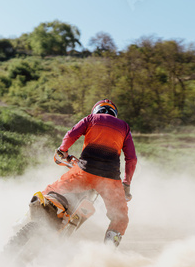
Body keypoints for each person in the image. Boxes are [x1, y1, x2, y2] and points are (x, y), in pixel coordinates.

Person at [34, 99, 137, 247]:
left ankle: (32, 217)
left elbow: (71, 135)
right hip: (110, 180)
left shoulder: (91, 119)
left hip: (85, 172)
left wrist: (62, 150)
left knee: (52, 191)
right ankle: (107, 253)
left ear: (96, 110)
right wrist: (126, 184)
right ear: (114, 113)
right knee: (120, 219)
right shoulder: (124, 127)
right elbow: (131, 159)